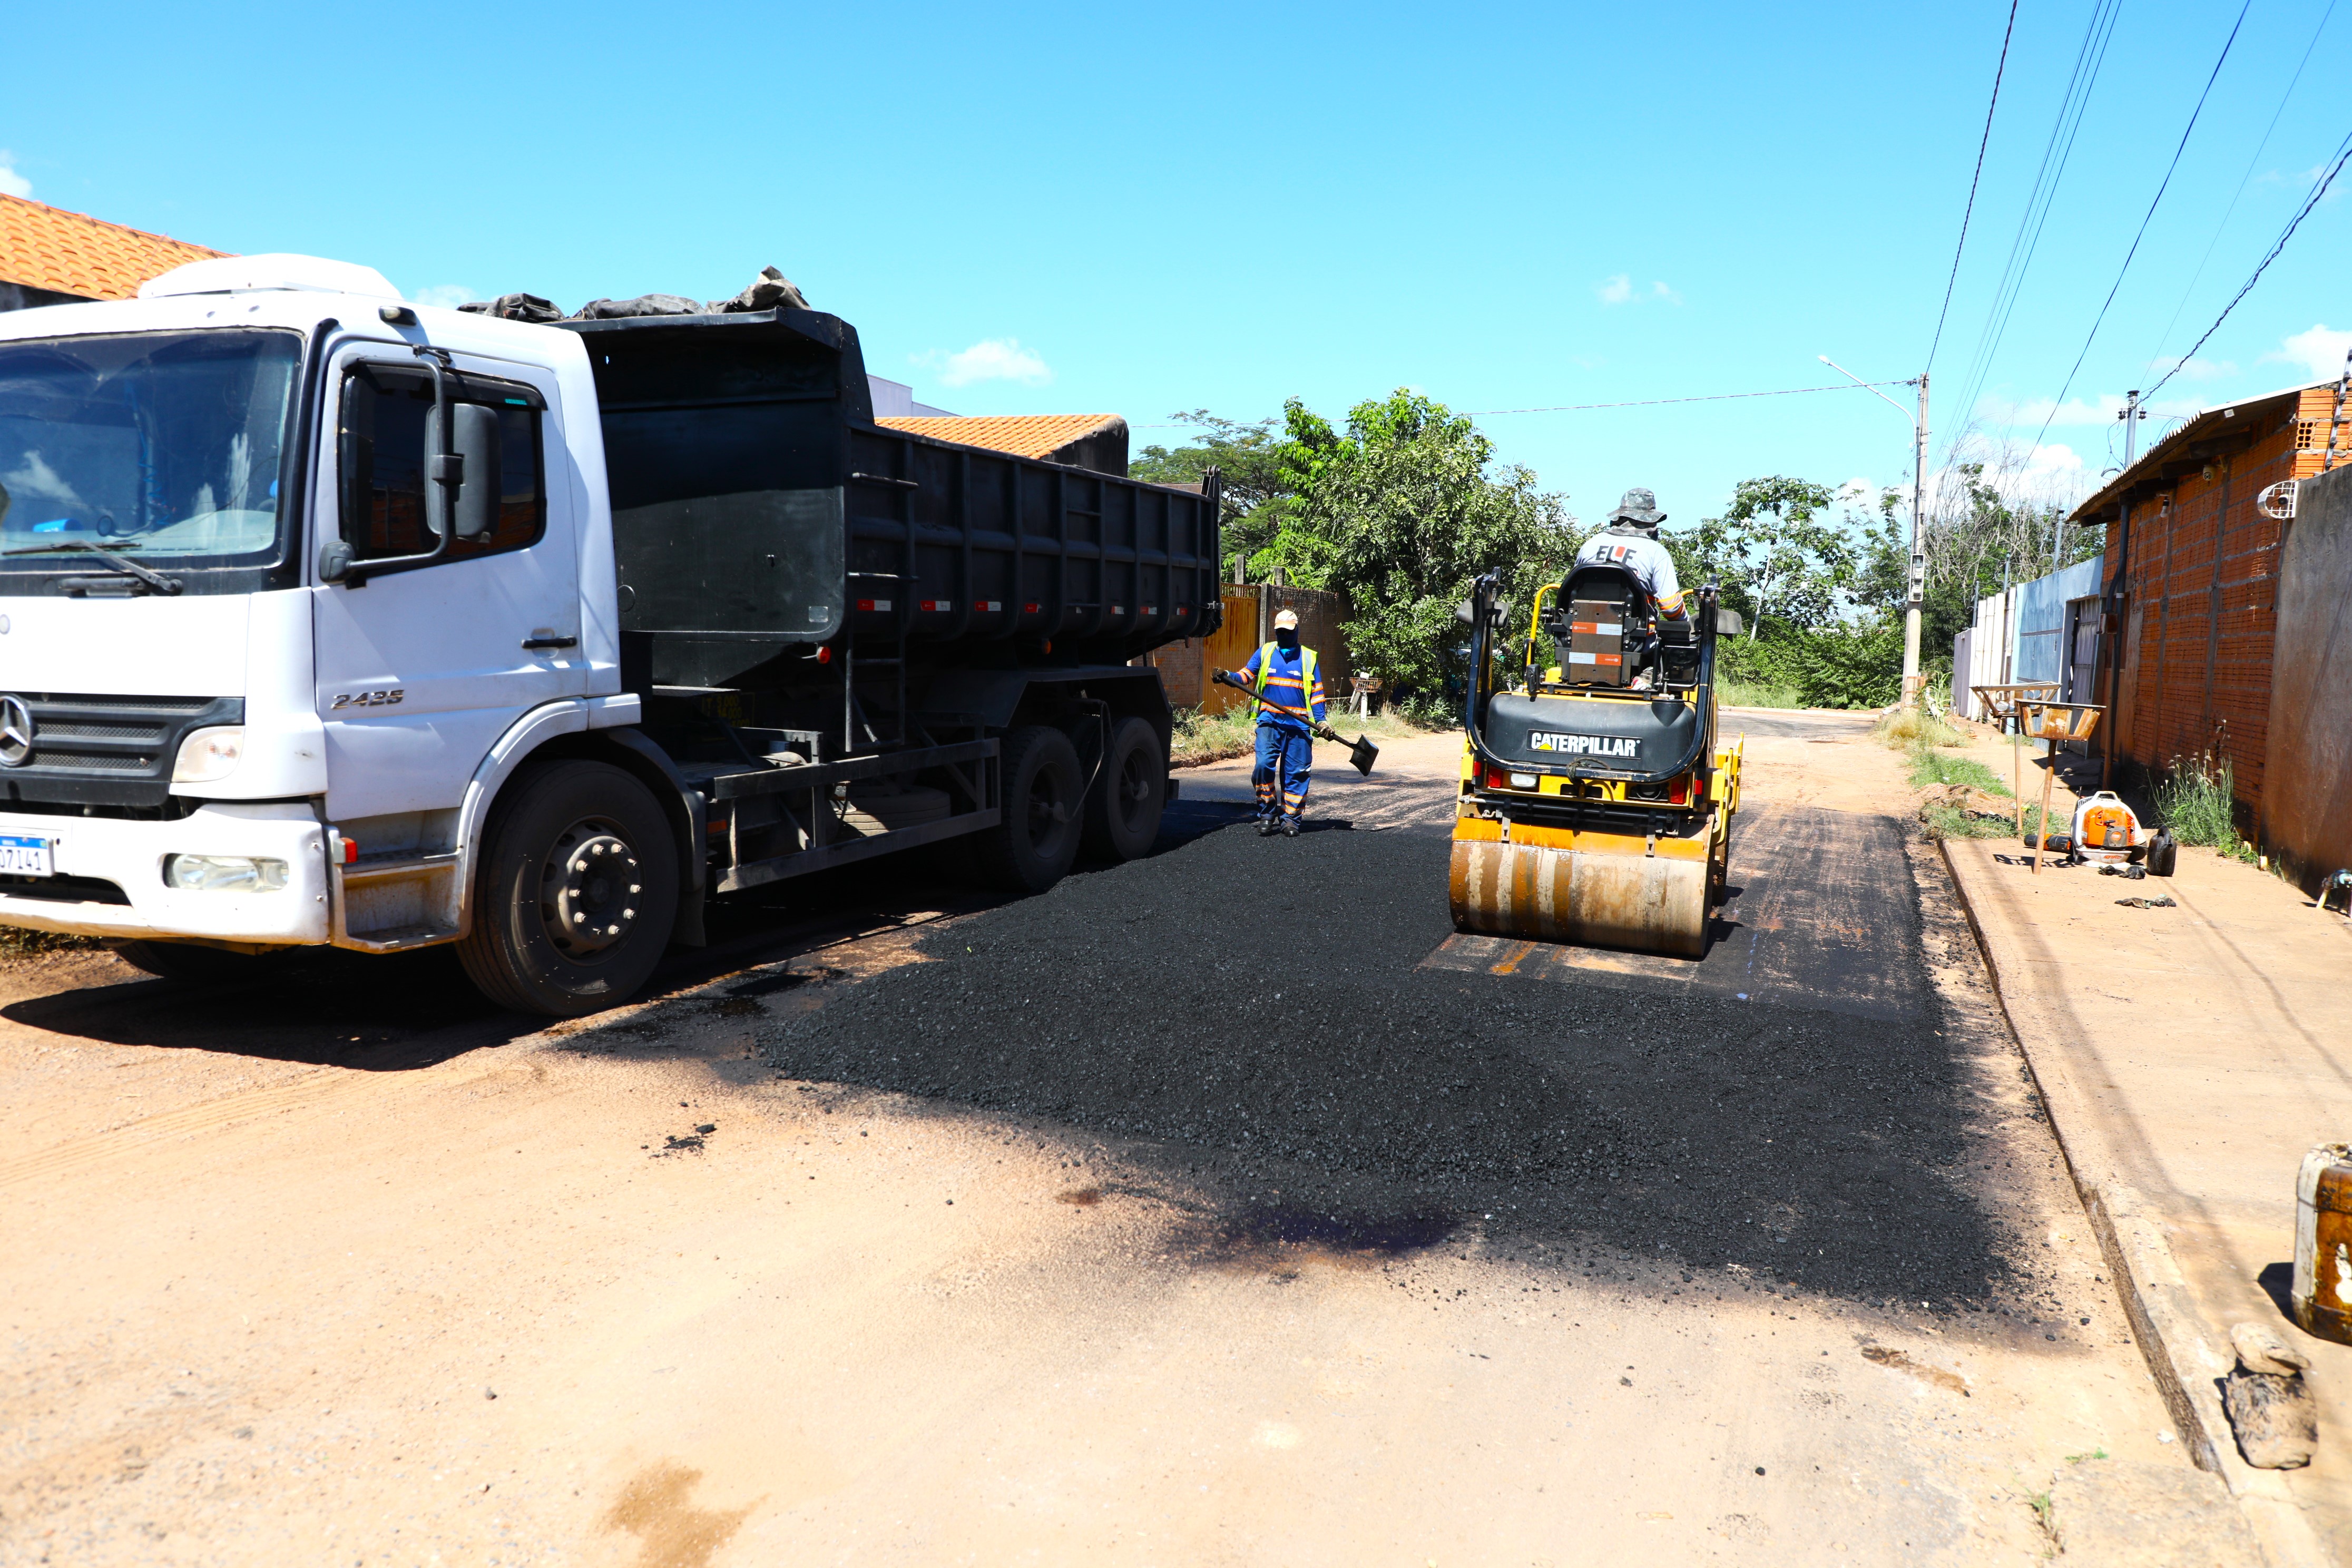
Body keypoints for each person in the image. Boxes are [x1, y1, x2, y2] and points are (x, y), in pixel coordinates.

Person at [1573, 487, 1693, 677]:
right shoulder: (1655, 552)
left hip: (1581, 640)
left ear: (1618, 518)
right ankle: (1647, 676)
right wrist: (1687, 624)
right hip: (1636, 644)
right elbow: (1672, 608)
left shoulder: (1591, 545)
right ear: (1650, 523)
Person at [1230, 607, 1327, 837]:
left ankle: (1291, 819)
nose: (1284, 635)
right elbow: (1246, 675)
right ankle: (1267, 814)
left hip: (1299, 727)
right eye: (1280, 632)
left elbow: (1317, 695)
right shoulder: (1265, 652)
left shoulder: (1308, 658)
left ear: (1297, 631)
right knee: (1263, 766)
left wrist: (1322, 722)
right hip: (1269, 723)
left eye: (1288, 631)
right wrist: (1228, 676)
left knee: (1297, 773)